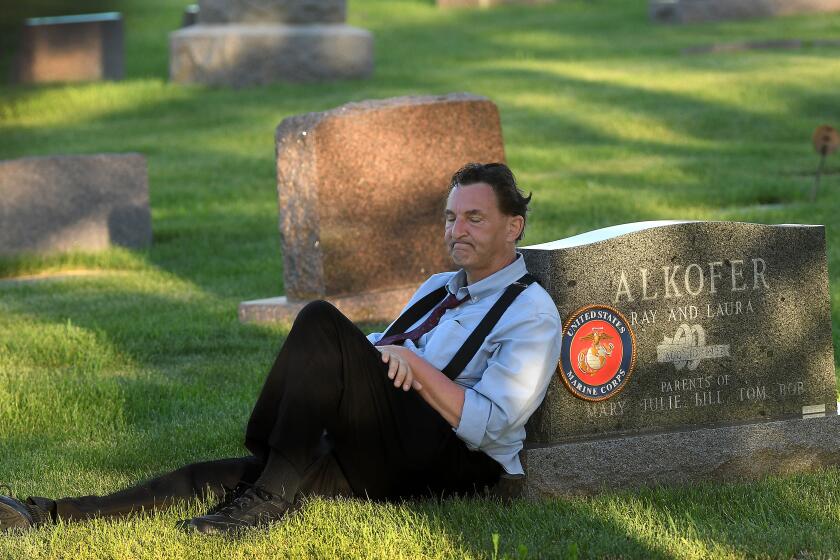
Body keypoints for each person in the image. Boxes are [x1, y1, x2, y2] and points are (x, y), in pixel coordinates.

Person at [0, 162, 562, 536]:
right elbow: (377, 352)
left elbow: (490, 424)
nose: (455, 229)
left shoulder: (531, 311)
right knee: (216, 477)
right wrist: (375, 363)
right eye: (449, 217)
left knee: (319, 319)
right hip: (386, 447)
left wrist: (411, 364)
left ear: (513, 226)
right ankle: (45, 514)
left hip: (462, 468)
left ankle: (269, 496)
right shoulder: (436, 289)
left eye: (473, 217)